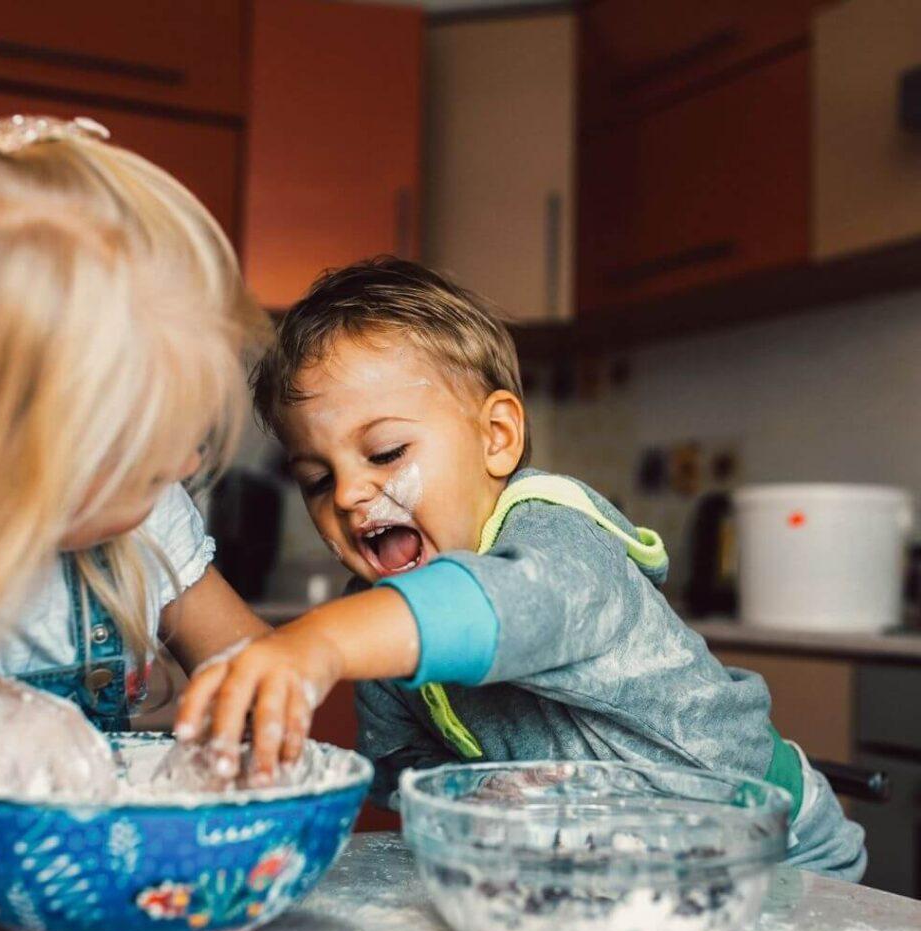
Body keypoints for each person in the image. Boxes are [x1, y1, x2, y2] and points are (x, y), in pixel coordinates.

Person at [179, 256, 866, 881]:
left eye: (385, 453)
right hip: (621, 864)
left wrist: (321, 640)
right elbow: (402, 769)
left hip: (773, 838)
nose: (351, 495)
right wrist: (481, 796)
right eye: (318, 480)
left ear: (497, 438)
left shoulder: (558, 537)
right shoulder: (384, 613)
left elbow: (505, 607)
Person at [0, 115, 307, 791]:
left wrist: (248, 708)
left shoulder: (149, 523)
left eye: (193, 441)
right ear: (5, 457)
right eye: (145, 467)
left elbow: (252, 663)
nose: (180, 471)